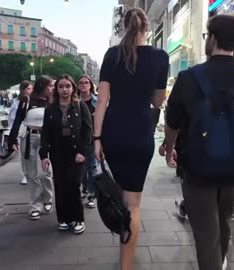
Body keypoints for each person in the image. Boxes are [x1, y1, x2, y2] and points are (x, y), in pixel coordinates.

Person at [164, 15, 234, 270]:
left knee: (205, 236)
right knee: (223, 227)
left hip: (197, 169)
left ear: (212, 38)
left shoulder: (189, 78)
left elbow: (172, 122)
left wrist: (169, 150)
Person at [94, 8, 169, 270]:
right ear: (147, 28)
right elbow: (158, 101)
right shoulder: (160, 57)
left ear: (124, 27)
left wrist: (96, 139)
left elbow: (102, 101)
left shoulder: (112, 55)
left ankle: (123, 249)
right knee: (133, 204)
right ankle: (126, 265)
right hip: (140, 135)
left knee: (122, 193)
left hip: (113, 134)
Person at [39, 74, 92, 234]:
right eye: (61, 86)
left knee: (74, 184)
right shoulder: (51, 108)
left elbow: (87, 129)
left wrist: (83, 151)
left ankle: (78, 218)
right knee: (60, 185)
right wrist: (44, 155)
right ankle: (63, 218)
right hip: (57, 152)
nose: (64, 89)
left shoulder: (80, 105)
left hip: (76, 152)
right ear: (56, 89)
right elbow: (46, 132)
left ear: (72, 88)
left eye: (68, 86)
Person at [9, 78, 54, 220]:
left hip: (47, 139)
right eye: (50, 85)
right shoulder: (27, 100)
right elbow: (17, 120)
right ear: (43, 86)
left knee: (46, 172)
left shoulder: (52, 101)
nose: (53, 88)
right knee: (32, 173)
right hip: (29, 137)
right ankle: (35, 205)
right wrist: (12, 139)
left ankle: (48, 198)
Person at [78, 74, 98, 208]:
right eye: (81, 83)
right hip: (78, 139)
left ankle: (92, 193)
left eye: (86, 83)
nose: (84, 85)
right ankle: (85, 188)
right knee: (82, 167)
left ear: (90, 85)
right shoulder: (75, 101)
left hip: (92, 138)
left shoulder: (97, 101)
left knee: (92, 166)